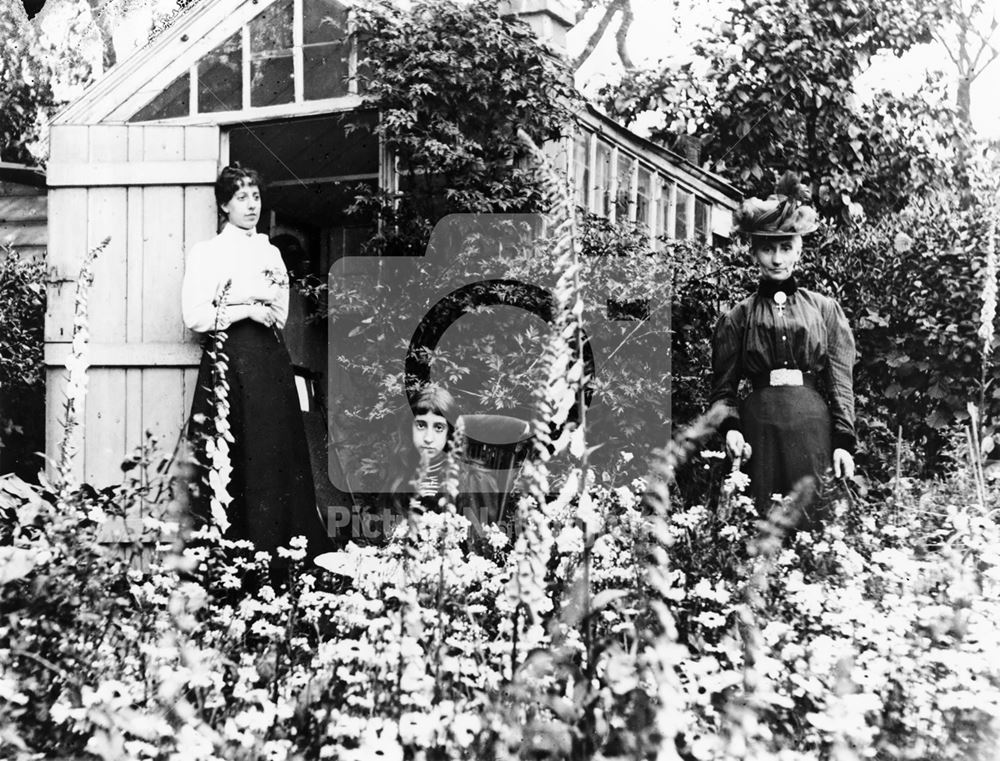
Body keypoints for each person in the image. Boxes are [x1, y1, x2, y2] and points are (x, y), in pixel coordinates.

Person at [182, 163, 329, 563]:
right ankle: (236, 557)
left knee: (274, 452)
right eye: (242, 197)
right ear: (224, 204)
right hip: (229, 361)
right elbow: (195, 316)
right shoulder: (208, 253)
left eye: (256, 196)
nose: (251, 205)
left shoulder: (269, 252)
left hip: (268, 359)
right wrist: (245, 308)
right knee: (234, 453)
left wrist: (255, 309)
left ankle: (281, 551)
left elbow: (279, 312)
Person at [708, 172, 856, 527]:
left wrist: (843, 441)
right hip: (759, 428)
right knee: (760, 523)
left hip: (811, 427)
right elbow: (723, 390)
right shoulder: (738, 316)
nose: (776, 259)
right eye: (768, 248)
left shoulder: (823, 309)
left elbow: (840, 382)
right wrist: (730, 428)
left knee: (813, 523)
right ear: (754, 252)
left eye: (785, 248)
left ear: (799, 250)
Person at [373, 386, 500, 544]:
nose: (428, 438)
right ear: (409, 428)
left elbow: (479, 550)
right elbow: (381, 537)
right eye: (421, 425)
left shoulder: (473, 481)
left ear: (450, 432)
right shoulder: (401, 475)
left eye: (438, 427)